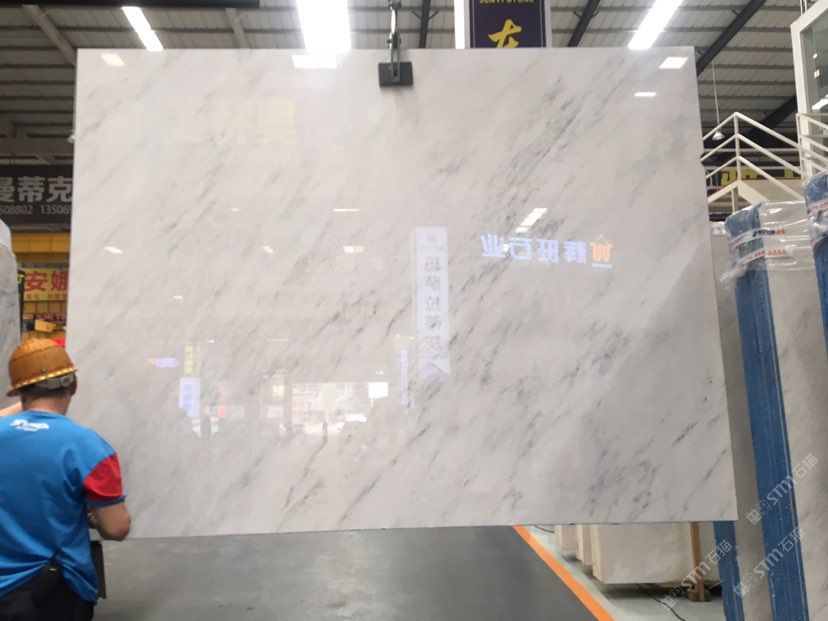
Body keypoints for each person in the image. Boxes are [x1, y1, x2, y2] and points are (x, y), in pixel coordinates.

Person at [0, 340, 131, 620]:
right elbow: (117, 528)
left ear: (20, 392)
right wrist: (91, 516)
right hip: (53, 594)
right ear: (73, 386)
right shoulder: (88, 447)